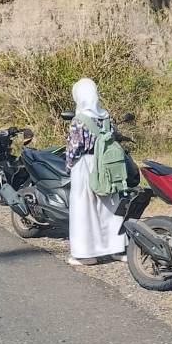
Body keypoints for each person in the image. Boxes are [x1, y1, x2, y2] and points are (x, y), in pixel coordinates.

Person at [66, 78, 126, 265]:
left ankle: (86, 254)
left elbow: (74, 148)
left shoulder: (79, 120)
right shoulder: (105, 116)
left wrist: (68, 166)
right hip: (106, 165)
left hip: (85, 165)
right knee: (110, 205)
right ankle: (117, 248)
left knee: (84, 208)